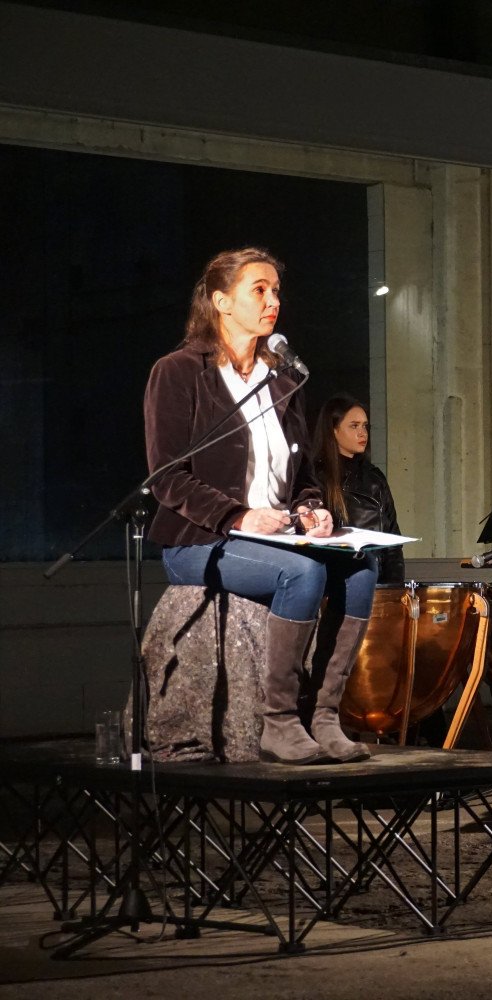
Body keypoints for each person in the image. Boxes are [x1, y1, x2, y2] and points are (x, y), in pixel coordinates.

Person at [144, 247, 376, 764]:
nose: (273, 301)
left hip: (276, 535)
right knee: (302, 575)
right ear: (222, 302)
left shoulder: (283, 379)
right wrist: (238, 516)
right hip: (201, 539)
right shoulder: (179, 372)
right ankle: (279, 722)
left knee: (361, 568)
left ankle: (324, 716)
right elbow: (167, 477)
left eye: (276, 290)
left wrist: (312, 508)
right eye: (259, 290)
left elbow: (301, 478)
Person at [313, 393, 405, 584]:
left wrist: (395, 589)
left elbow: (394, 541)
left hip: (380, 582)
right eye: (354, 426)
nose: (363, 433)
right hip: (336, 583)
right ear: (333, 430)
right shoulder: (317, 476)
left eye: (365, 426)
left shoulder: (374, 476)